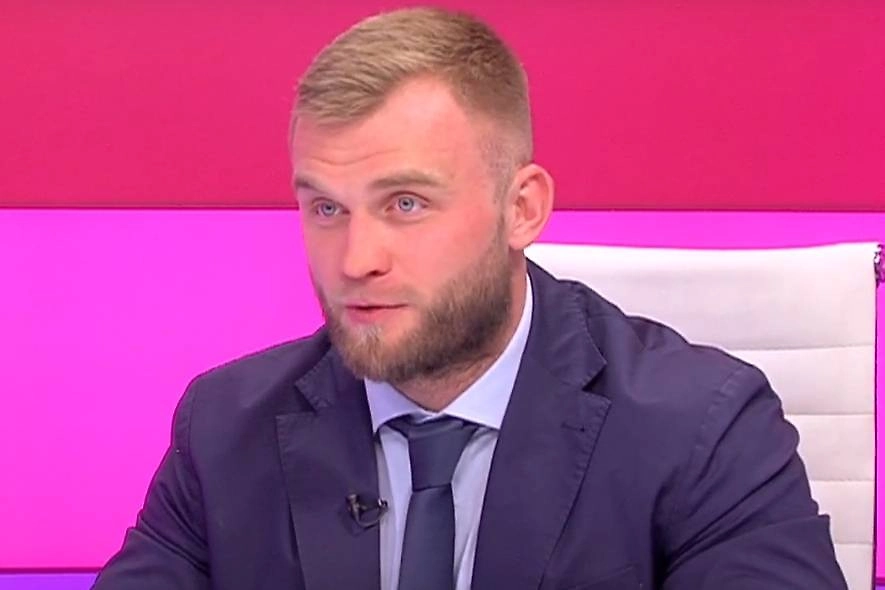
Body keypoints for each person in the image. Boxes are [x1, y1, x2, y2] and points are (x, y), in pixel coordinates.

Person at [93, 7, 847, 590]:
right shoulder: (226, 428)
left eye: (406, 204)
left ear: (522, 209)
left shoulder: (702, 429)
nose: (355, 260)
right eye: (326, 208)